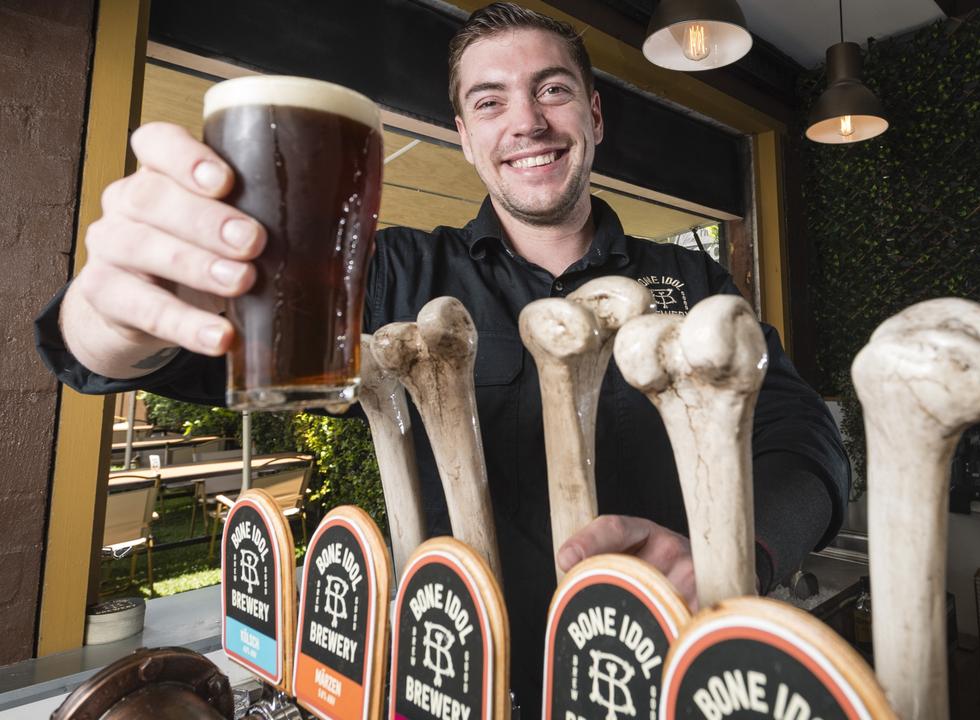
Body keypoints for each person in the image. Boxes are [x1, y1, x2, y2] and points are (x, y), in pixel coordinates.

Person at [35, 2, 850, 707]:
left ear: (594, 118)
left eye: (552, 90)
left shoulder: (690, 279)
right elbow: (209, 356)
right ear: (465, 137)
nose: (526, 122)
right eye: (490, 101)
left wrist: (733, 558)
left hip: (658, 683)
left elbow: (805, 440)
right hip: (449, 683)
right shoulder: (395, 274)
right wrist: (108, 325)